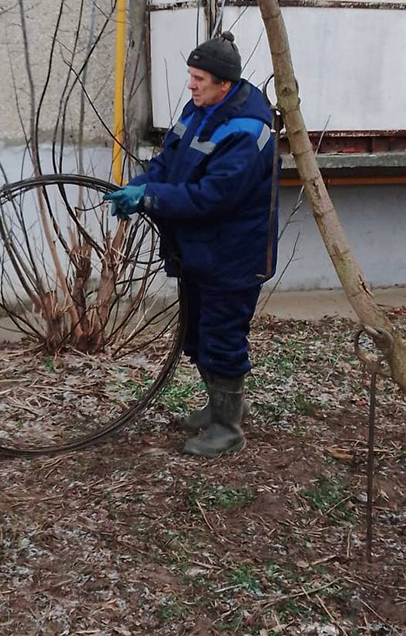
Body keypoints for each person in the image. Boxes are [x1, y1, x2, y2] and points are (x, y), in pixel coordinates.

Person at [104, 31, 278, 458]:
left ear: (225, 84)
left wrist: (148, 199)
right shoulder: (199, 109)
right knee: (199, 336)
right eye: (190, 76)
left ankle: (227, 428)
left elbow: (212, 197)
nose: (191, 85)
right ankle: (220, 407)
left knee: (222, 338)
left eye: (199, 78)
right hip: (201, 250)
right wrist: (139, 187)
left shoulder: (247, 132)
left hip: (233, 256)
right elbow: (168, 164)